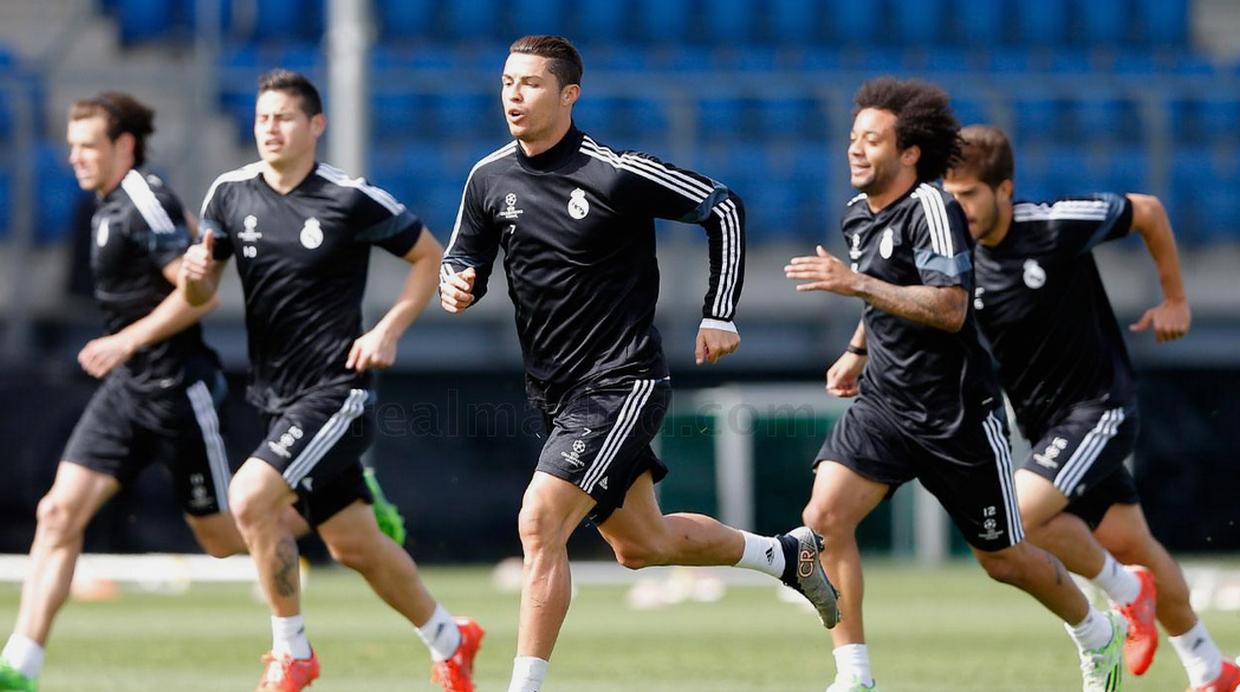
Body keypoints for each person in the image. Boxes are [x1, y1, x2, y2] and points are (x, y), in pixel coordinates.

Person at [439, 35, 840, 692]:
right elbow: (463, 259)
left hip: (622, 380)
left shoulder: (615, 171)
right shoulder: (489, 178)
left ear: (569, 94)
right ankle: (784, 555)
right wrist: (455, 284)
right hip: (555, 394)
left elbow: (724, 208)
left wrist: (719, 311)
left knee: (539, 520)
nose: (514, 94)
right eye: (508, 81)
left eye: (532, 83)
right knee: (641, 546)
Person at [784, 78, 1128, 692]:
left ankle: (1096, 634)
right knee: (824, 518)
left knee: (1003, 560)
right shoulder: (858, 215)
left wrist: (856, 285)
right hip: (885, 405)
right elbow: (883, 287)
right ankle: (854, 675)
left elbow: (948, 307)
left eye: (871, 139)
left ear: (910, 152)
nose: (854, 150)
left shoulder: (934, 209)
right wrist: (856, 351)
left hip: (957, 416)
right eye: (851, 138)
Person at [179, 70, 481, 692]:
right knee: (354, 546)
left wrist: (390, 328)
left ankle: (292, 652)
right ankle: (452, 640)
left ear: (315, 125)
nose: (271, 129)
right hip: (274, 395)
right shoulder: (229, 195)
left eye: (284, 118)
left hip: (338, 391)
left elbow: (429, 256)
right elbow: (201, 291)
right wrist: (193, 277)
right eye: (263, 118)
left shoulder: (350, 198)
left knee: (250, 498)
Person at [944, 124, 1238, 692]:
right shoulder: (957, 256)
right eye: (949, 195)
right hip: (1048, 427)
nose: (958, 208)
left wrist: (1175, 298)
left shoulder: (1052, 225)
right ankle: (1211, 667)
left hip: (1100, 408)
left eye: (968, 195)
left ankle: (1126, 596)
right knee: (1136, 546)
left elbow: (1148, 209)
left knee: (1014, 516)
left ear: (1004, 189)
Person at [0, 92, 247, 692]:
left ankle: (318, 500)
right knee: (57, 513)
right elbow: (194, 248)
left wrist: (126, 341)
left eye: (88, 145)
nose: (75, 157)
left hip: (175, 388)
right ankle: (20, 667)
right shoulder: (115, 202)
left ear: (124, 146)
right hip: (126, 388)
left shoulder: (141, 196)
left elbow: (200, 298)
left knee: (221, 542)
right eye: (72, 144)